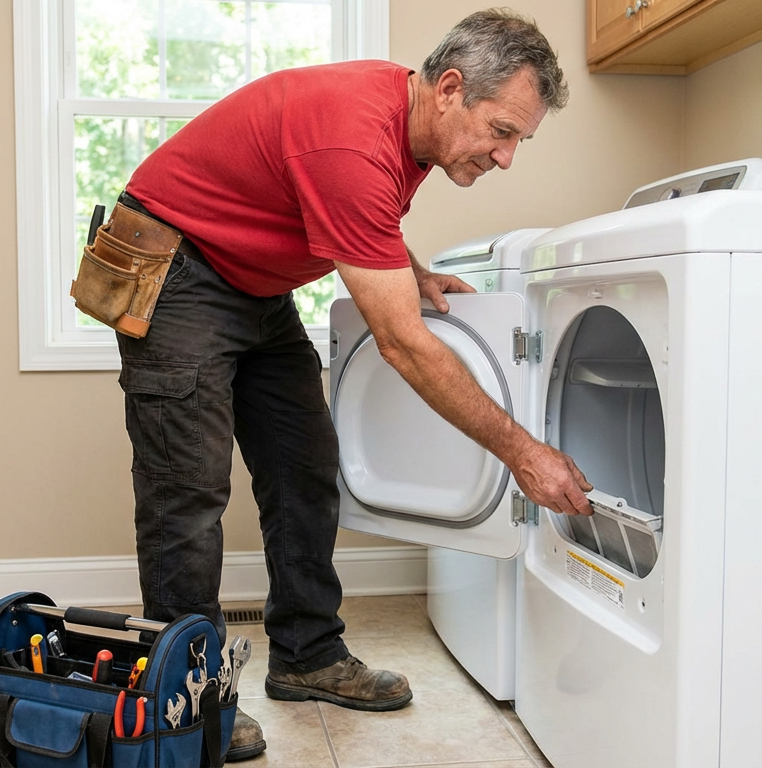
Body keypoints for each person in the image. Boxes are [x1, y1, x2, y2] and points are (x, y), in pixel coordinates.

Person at [113, 8, 593, 761]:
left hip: (254, 286)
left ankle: (308, 656)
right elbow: (404, 344)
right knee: (188, 495)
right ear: (451, 89)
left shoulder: (402, 125)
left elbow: (358, 212)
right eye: (502, 132)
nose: (505, 158)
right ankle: (187, 699)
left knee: (304, 468)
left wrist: (410, 268)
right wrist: (521, 452)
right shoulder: (351, 137)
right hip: (177, 269)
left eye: (519, 142)